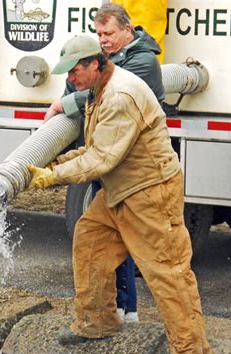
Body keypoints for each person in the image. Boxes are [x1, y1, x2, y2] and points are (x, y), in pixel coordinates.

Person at [26, 34, 215, 354]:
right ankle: (96, 323)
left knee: (168, 274)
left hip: (149, 193)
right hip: (120, 189)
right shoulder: (100, 87)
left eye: (76, 71)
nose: (71, 79)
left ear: (96, 63)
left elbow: (101, 159)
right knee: (90, 240)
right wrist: (59, 160)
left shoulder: (120, 94)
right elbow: (98, 146)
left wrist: (54, 175)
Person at [46, 3, 166, 323]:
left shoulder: (143, 62)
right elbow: (84, 85)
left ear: (128, 30)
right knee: (105, 237)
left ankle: (129, 312)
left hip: (132, 167)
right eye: (99, 34)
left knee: (142, 245)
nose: (103, 40)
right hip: (109, 160)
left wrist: (65, 102)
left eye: (109, 33)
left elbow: (104, 94)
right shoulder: (104, 57)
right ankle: (118, 312)